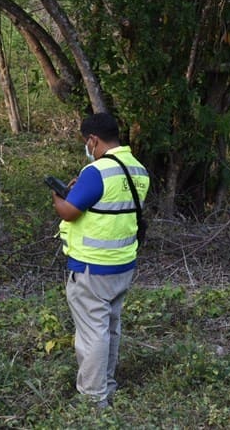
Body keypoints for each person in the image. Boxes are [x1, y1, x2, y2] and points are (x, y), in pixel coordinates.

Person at [51, 112, 149, 407]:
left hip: (92, 267)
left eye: (86, 142)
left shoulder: (97, 171)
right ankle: (107, 382)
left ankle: (94, 397)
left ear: (93, 140)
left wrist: (59, 198)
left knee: (92, 332)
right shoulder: (138, 169)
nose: (87, 147)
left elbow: (69, 211)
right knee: (110, 326)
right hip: (123, 263)